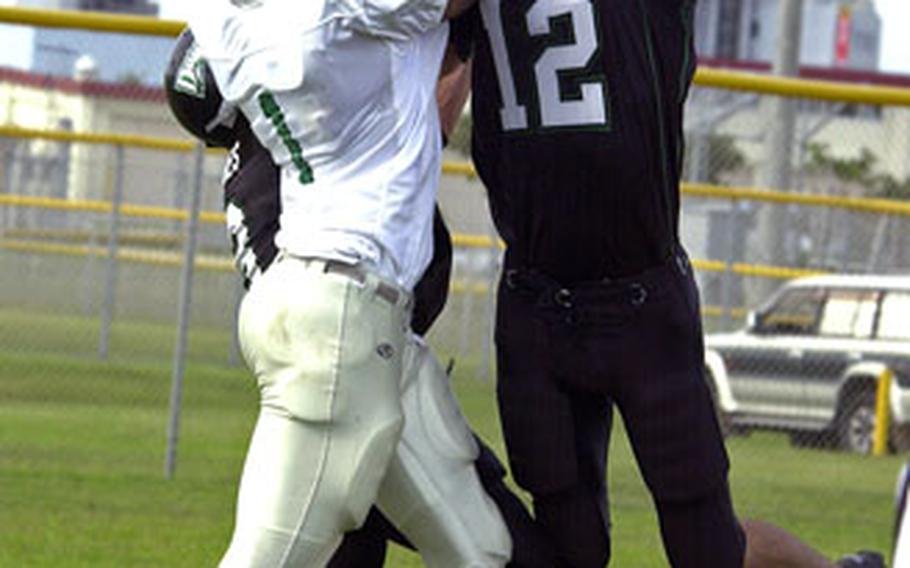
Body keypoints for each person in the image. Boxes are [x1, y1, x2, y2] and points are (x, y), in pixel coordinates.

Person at [442, 1, 888, 567]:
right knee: (566, 549)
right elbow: (436, 60)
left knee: (707, 550)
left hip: (641, 305)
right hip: (535, 302)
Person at [177, 0, 513, 564]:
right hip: (342, 319)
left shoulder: (238, 24)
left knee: (482, 551)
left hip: (329, 304)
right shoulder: (340, 13)